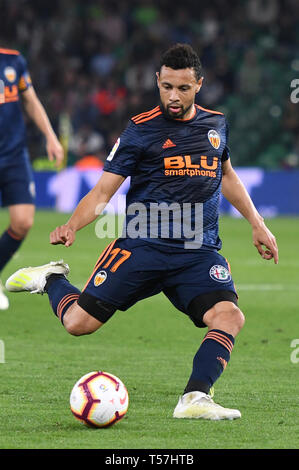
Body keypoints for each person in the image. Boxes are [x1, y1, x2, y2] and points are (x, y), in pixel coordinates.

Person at [6, 44, 278, 420]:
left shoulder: (215, 124)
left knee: (229, 316)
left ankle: (195, 399)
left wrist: (257, 223)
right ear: (157, 81)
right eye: (166, 86)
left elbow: (227, 176)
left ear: (198, 84)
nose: (173, 96)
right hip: (142, 246)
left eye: (182, 88)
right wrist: (71, 225)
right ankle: (51, 279)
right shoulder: (141, 129)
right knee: (77, 324)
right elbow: (103, 191)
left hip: (198, 252)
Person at [0, 46, 64, 309]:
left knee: (23, 221)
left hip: (14, 155)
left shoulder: (12, 60)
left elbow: (31, 100)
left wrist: (50, 136)